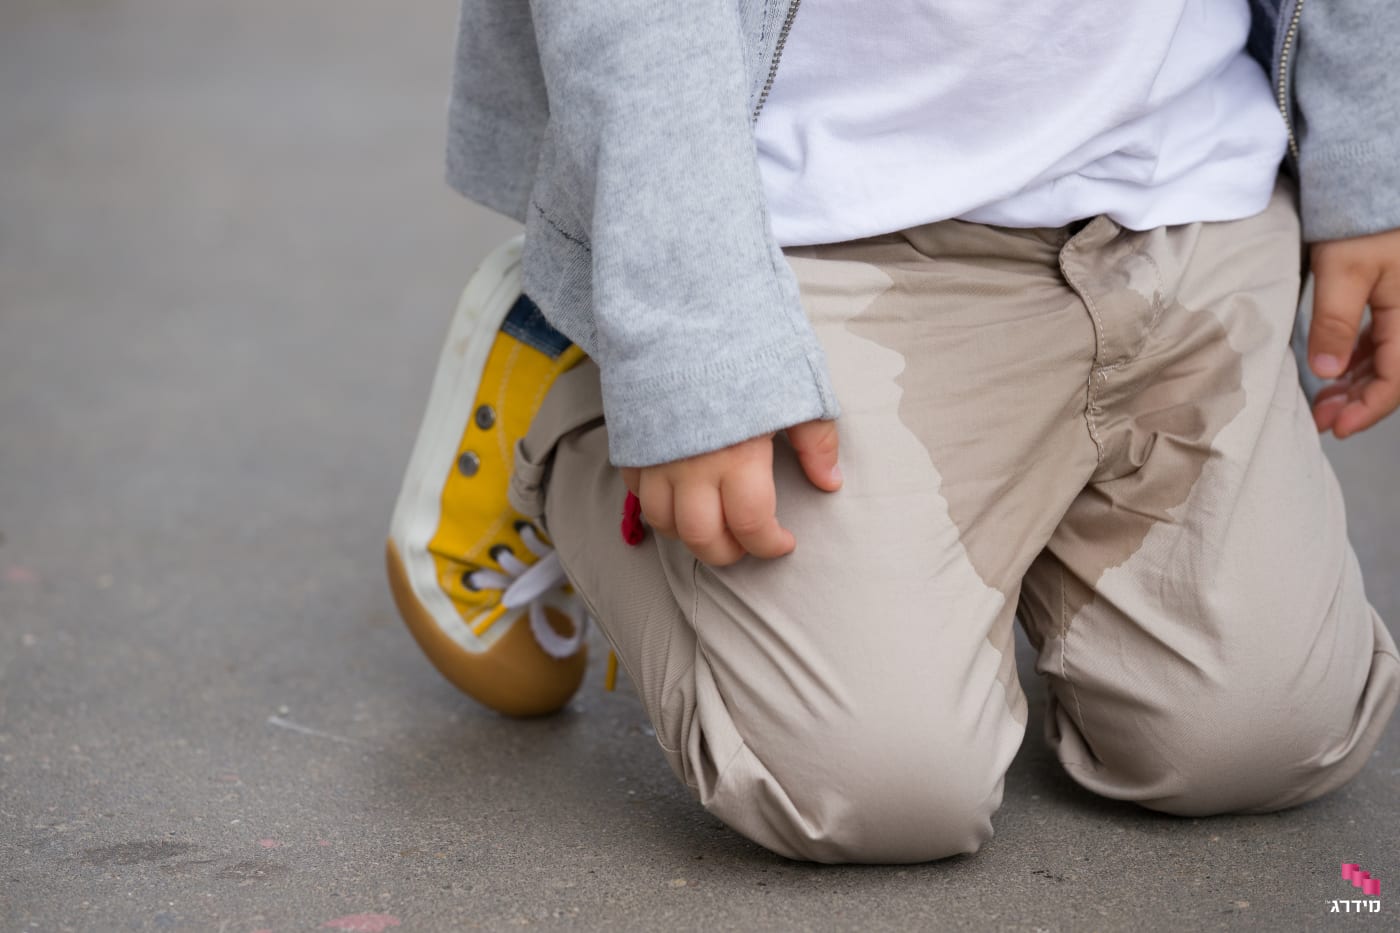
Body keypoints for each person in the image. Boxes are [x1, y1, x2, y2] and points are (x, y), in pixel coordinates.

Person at [386, 0, 1400, 863]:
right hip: (812, 220)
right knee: (866, 784)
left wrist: (1370, 155)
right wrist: (681, 333)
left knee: (1259, 739)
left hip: (1185, 193)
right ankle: (563, 381)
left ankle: (1004, 532)